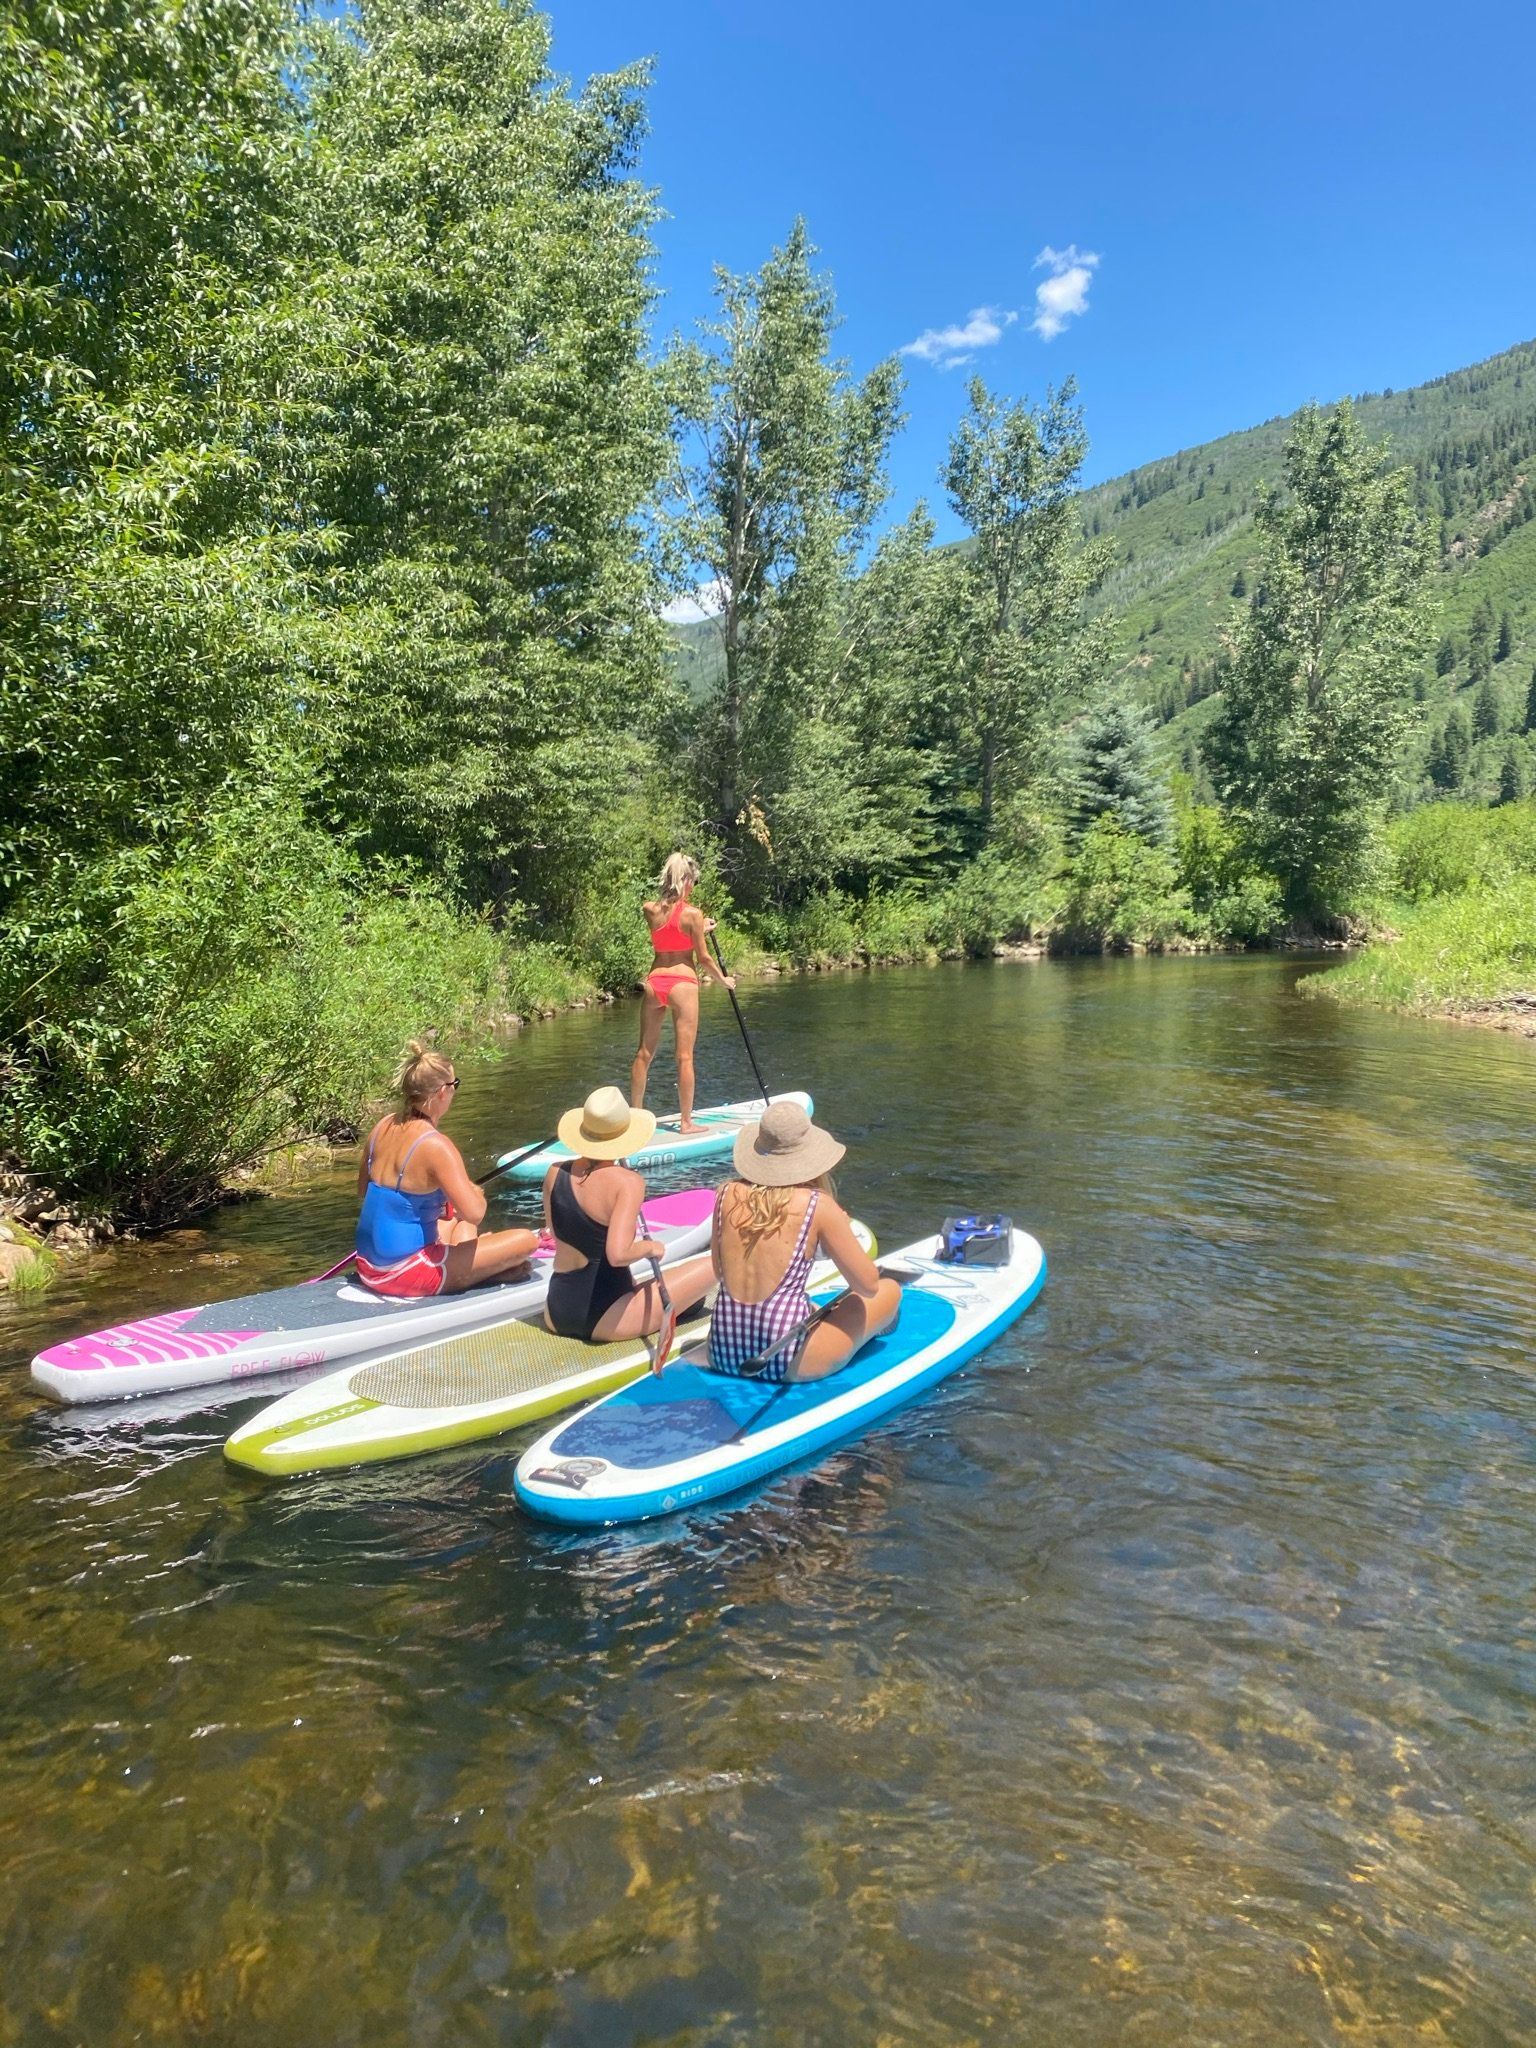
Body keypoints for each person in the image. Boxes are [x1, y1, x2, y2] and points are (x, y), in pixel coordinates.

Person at [707, 1099, 902, 1383]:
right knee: (889, 1289)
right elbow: (867, 1285)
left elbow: (718, 1271)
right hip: (787, 1361)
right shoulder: (817, 1205)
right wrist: (840, 1229)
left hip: (721, 1352)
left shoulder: (725, 1194)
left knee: (813, 1306)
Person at [355, 1042, 539, 1297]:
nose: (454, 1091)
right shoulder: (436, 1145)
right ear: (443, 1091)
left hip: (367, 1265)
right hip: (403, 1273)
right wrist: (474, 1192)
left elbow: (364, 1191)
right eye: (455, 1085)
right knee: (526, 1240)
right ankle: (482, 1272)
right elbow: (475, 1213)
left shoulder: (382, 1127)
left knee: (457, 1224)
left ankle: (479, 1267)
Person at [542, 1086, 717, 1342]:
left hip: (557, 1309)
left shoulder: (554, 1172)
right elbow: (618, 1255)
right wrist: (650, 1248)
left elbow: (556, 1233)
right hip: (604, 1316)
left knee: (692, 1301)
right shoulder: (627, 1182)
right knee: (715, 1265)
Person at [630, 852, 736, 1135]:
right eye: (694, 881)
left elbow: (668, 929)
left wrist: (700, 927)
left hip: (655, 982)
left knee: (644, 1053)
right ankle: (687, 1123)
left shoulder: (649, 909)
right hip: (682, 983)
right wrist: (723, 980)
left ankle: (636, 1116)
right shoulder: (693, 914)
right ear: (686, 880)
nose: (694, 886)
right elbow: (703, 958)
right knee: (684, 1057)